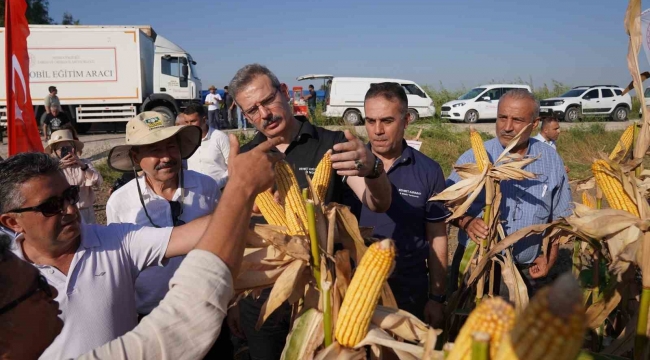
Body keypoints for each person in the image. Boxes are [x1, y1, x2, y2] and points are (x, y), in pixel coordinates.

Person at [0, 135, 285, 360]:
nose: (72, 210)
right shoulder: (8, 275)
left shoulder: (116, 241)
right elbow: (179, 323)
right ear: (13, 221)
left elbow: (186, 236)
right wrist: (240, 190)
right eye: (51, 206)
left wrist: (244, 205)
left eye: (71, 196)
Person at [229, 63, 392, 360]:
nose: (263, 114)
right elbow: (237, 234)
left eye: (267, 101)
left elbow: (377, 202)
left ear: (284, 92)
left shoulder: (332, 145)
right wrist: (235, 299)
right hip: (265, 297)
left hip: (323, 293)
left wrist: (374, 169)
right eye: (252, 110)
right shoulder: (246, 157)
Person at [105, 110, 231, 358]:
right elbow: (119, 267)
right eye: (153, 150)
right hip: (151, 318)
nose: (165, 157)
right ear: (135, 156)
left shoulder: (206, 187)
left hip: (206, 308)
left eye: (171, 146)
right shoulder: (121, 202)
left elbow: (223, 242)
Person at [447, 89, 572, 296]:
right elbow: (448, 204)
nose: (507, 127)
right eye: (502, 118)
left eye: (517, 120)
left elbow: (559, 216)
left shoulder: (551, 161)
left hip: (525, 267)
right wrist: (467, 222)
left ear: (534, 124)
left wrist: (549, 256)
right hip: (476, 264)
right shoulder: (473, 157)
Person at [345, 83, 450, 328]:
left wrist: (436, 297)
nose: (377, 130)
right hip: (354, 290)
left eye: (387, 121)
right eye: (370, 121)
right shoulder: (348, 166)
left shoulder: (429, 171)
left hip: (408, 291)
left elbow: (437, 236)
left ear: (407, 119)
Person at [45, 130, 102, 224]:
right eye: (61, 149)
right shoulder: (52, 168)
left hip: (85, 211)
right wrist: (58, 168)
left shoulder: (85, 163)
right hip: (65, 213)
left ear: (74, 148)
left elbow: (98, 182)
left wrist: (83, 166)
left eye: (68, 147)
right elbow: (47, 187)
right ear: (54, 151)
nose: (66, 151)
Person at [179, 104, 230, 188]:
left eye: (193, 121)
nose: (189, 125)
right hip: (196, 194)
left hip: (220, 191)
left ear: (204, 119)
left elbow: (232, 166)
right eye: (187, 122)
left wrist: (217, 185)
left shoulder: (220, 137)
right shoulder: (185, 141)